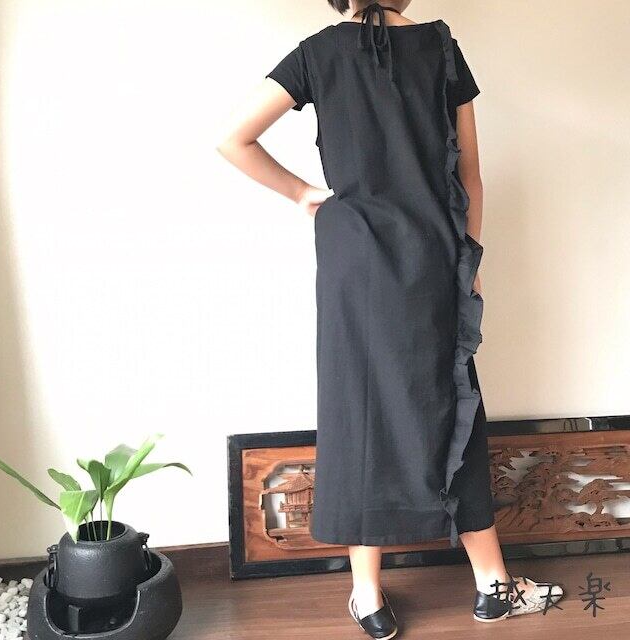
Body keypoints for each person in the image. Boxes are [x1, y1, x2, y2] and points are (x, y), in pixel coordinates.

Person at [216, 2, 564, 637]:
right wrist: (471, 254)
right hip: (431, 251)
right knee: (453, 404)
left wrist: (303, 194)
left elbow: (231, 138)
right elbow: (470, 170)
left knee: (358, 410)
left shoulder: (317, 52)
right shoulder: (440, 47)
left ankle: (368, 596)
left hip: (352, 259)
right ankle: (492, 585)